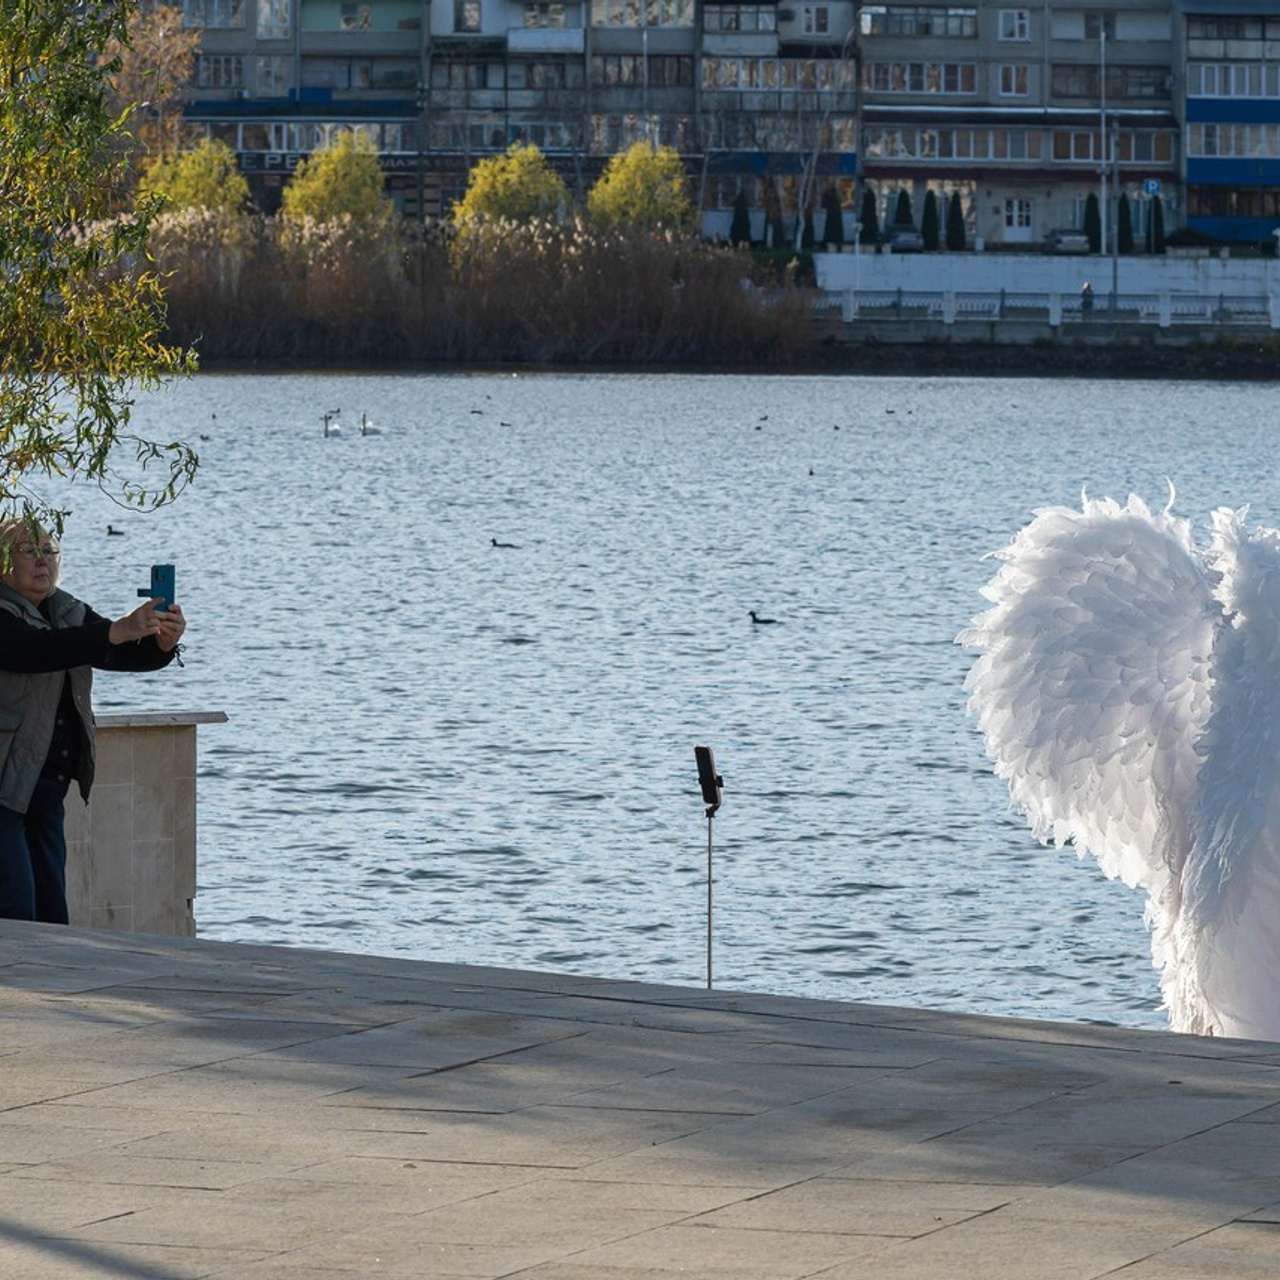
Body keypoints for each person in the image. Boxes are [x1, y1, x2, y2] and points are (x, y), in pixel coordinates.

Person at [0, 520, 186, 924]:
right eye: (28, 551)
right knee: (14, 905)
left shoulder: (67, 610)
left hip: (47, 784)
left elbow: (116, 652)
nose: (42, 561)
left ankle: (44, 988)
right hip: (3, 785)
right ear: (3, 561)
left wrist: (161, 643)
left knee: (51, 910)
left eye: (49, 551)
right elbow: (33, 651)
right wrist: (117, 630)